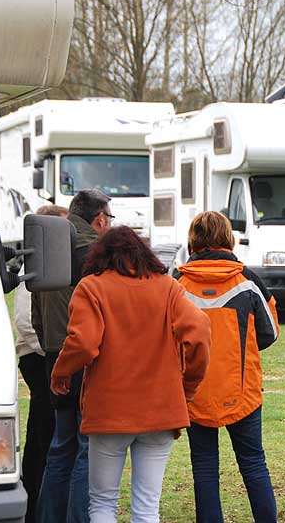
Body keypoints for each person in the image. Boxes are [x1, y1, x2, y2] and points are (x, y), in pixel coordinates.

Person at [51, 225, 211, 523]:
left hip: (110, 411)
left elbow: (84, 344)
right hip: (161, 409)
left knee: (102, 503)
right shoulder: (167, 287)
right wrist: (187, 386)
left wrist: (61, 372)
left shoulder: (91, 287)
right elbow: (200, 331)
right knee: (148, 507)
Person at [175, 211, 280, 523]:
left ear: (194, 240)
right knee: (252, 462)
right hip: (242, 391)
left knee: (204, 466)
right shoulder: (247, 281)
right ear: (227, 238)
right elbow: (270, 332)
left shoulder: (178, 284)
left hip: (193, 392)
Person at [33, 189, 113, 523]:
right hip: (85, 358)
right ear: (99, 219)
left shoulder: (49, 247)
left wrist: (52, 348)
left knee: (59, 448)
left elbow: (37, 313)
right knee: (86, 451)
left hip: (54, 354)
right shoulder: (93, 252)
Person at [15, 204, 68, 523]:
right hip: (38, 359)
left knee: (41, 434)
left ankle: (35, 503)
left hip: (44, 355)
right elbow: (25, 321)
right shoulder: (37, 265)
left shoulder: (51, 262)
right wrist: (51, 351)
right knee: (44, 436)